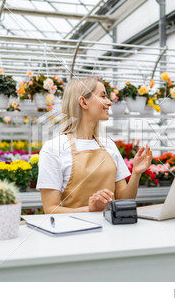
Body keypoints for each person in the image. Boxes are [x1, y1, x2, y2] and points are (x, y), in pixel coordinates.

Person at [37, 77, 152, 213]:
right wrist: (90, 209)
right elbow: (50, 209)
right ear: (83, 102)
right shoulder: (53, 148)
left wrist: (136, 174)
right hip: (71, 231)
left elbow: (124, 199)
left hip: (111, 230)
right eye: (103, 96)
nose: (109, 102)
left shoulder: (109, 145)